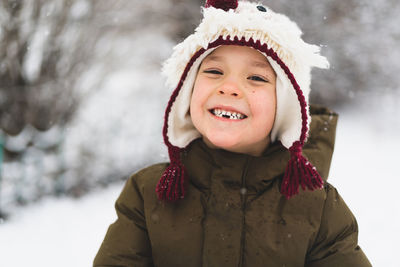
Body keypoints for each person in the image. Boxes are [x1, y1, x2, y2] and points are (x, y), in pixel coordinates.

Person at [94, 1, 371, 266]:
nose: (229, 87)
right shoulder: (148, 193)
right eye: (214, 70)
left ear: (285, 106)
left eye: (256, 77)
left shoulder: (318, 207)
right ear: (187, 92)